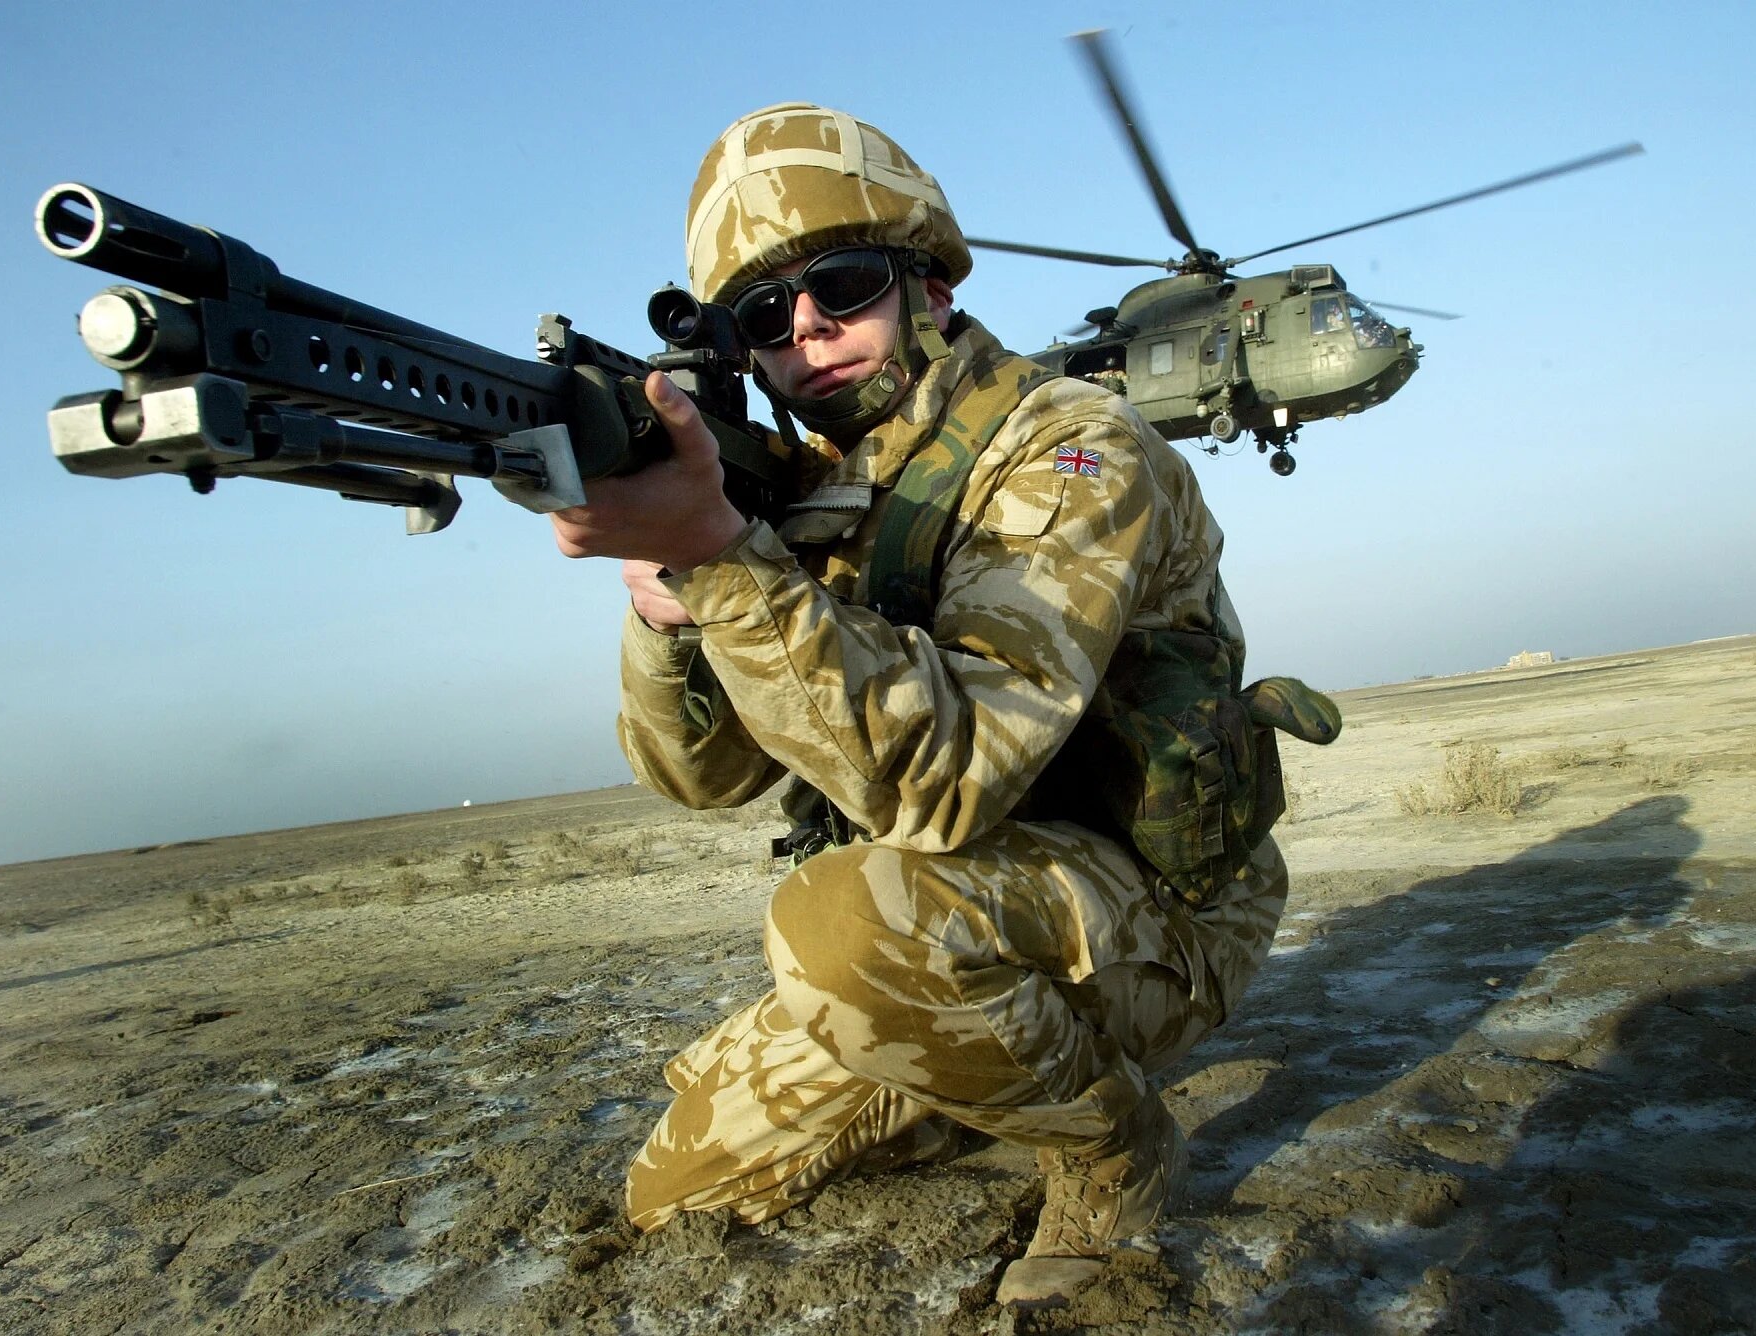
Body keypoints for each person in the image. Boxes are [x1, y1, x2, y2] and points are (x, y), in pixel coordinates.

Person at [548, 103, 1334, 1307]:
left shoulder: (1069, 449)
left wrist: (724, 557)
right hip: (957, 910)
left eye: (841, 285)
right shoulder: (814, 493)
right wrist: (672, 604)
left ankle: (1111, 1151)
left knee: (837, 928)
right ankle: (971, 1062)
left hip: (1159, 917)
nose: (806, 329)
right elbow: (702, 776)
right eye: (762, 315)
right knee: (676, 1189)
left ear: (929, 284)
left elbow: (949, 777)